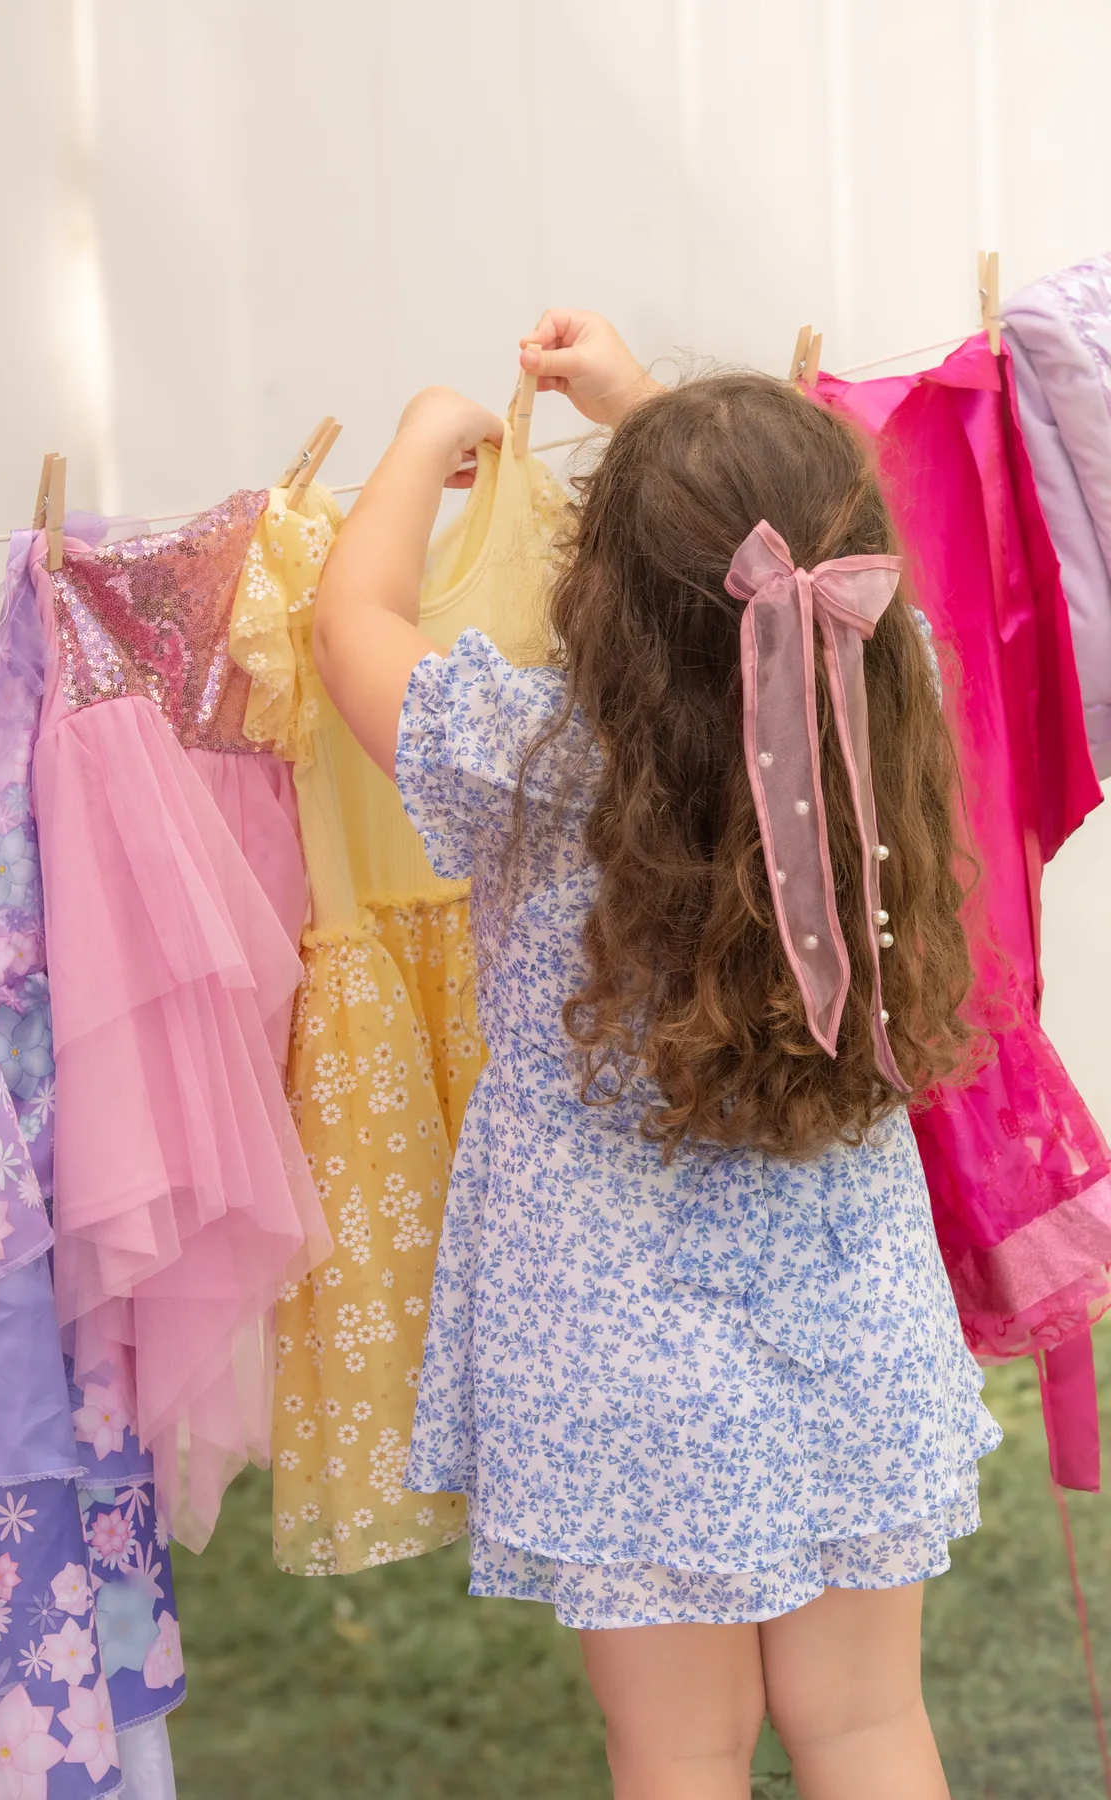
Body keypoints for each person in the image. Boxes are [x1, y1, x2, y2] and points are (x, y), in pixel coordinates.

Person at [312, 311, 1000, 1800]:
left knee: (679, 1749)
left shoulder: (525, 752)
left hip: (614, 1354)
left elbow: (350, 622)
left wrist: (428, 431)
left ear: (601, 590)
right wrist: (648, 409)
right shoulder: (892, 700)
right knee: (868, 1727)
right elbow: (775, 586)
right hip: (850, 1317)